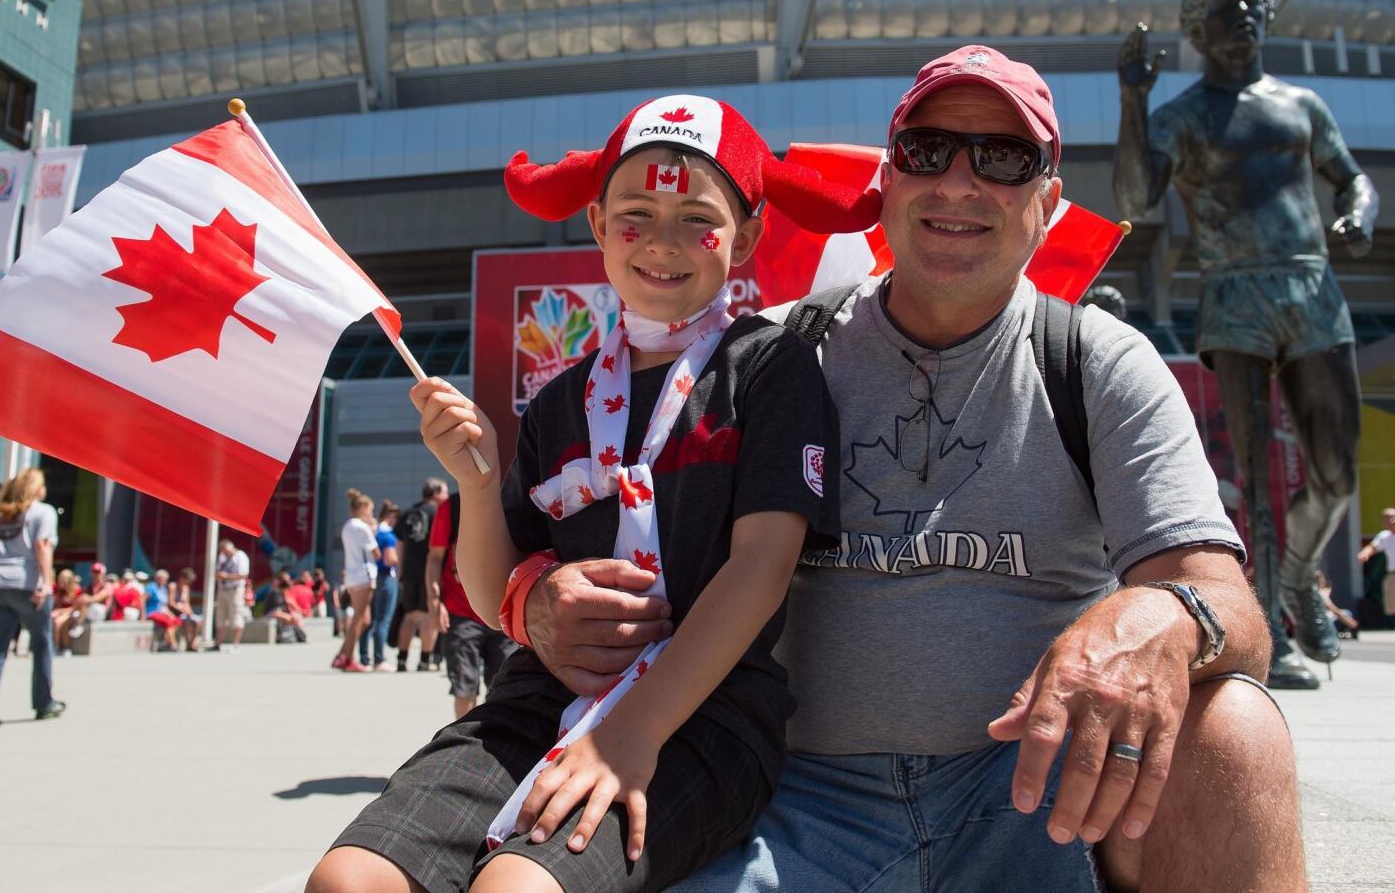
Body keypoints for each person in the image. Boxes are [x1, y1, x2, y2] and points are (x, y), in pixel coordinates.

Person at [497, 48, 1302, 892]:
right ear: (888, 181)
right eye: (927, 150)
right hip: (791, 799)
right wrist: (537, 599)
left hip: (1034, 797)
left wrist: (1162, 619)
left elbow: (1231, 608)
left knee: (1235, 729)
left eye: (1003, 159)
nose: (958, 183)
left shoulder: (1095, 362)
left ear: (1048, 204)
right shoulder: (764, 356)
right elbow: (589, 511)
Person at [311, 94, 862, 893]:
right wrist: (475, 477)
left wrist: (631, 734)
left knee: (518, 888)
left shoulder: (771, 370)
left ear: (745, 236)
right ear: (598, 224)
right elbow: (493, 586)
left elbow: (762, 568)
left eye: (694, 217)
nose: (663, 242)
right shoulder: (561, 400)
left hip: (702, 719)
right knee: (347, 879)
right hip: (539, 697)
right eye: (638, 213)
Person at [1115, 0, 1379, 688]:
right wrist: (1134, 102)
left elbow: (1353, 181)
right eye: (1228, 9)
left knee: (1337, 471)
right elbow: (1135, 200)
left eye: (1252, 5)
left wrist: (1358, 215)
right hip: (1234, 290)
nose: (1245, 18)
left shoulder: (1300, 105)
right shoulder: (1187, 115)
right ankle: (1272, 634)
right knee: (1255, 481)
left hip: (1311, 285)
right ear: (1201, 30)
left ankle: (1297, 578)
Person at [0, 468, 64, 728]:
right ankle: (44, 703)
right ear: (37, 488)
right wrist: (46, 582)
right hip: (27, 584)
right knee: (42, 644)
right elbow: (42, 546)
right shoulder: (42, 512)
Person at [427, 492, 518, 718]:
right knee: (464, 686)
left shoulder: (513, 497)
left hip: (505, 614)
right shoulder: (452, 507)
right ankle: (467, 743)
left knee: (505, 689)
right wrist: (434, 602)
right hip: (461, 614)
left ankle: (495, 745)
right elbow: (435, 557)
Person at [394, 478, 448, 672]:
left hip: (408, 571)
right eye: (444, 491)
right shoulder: (439, 512)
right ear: (435, 494)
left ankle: (401, 659)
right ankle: (425, 661)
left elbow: (398, 544)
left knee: (410, 616)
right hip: (430, 572)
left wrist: (401, 568)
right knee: (428, 616)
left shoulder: (408, 512)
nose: (446, 496)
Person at [331, 489, 378, 673]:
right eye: (370, 509)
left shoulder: (347, 526)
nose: (371, 514)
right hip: (363, 576)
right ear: (363, 507)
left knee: (365, 619)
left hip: (352, 576)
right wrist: (373, 530)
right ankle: (347, 658)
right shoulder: (363, 527)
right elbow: (376, 553)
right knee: (359, 618)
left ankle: (342, 655)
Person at [359, 500, 401, 671]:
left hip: (371, 578)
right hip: (386, 578)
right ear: (392, 517)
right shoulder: (388, 535)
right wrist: (401, 559)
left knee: (369, 621)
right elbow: (389, 559)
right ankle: (379, 659)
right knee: (383, 621)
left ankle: (364, 657)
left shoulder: (372, 531)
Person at [1356, 507, 1395, 619]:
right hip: (1393, 575)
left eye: (1391, 518)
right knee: (1392, 606)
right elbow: (1373, 547)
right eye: (1386, 519)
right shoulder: (1384, 536)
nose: (1389, 521)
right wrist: (1364, 553)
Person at [214, 539, 250, 652]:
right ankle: (217, 643)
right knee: (220, 616)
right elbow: (216, 571)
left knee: (236, 615)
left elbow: (244, 574)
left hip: (235, 590)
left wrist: (227, 576)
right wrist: (219, 576)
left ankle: (235, 643)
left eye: (226, 552)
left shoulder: (240, 556)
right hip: (222, 590)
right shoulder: (222, 557)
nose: (225, 554)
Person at [51, 569, 83, 656]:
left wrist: (61, 611)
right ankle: (54, 646)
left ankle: (60, 647)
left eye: (63, 579)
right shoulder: (59, 591)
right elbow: (57, 605)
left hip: (73, 614)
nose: (60, 581)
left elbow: (75, 607)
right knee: (53, 619)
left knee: (59, 622)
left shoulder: (77, 590)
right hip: (62, 613)